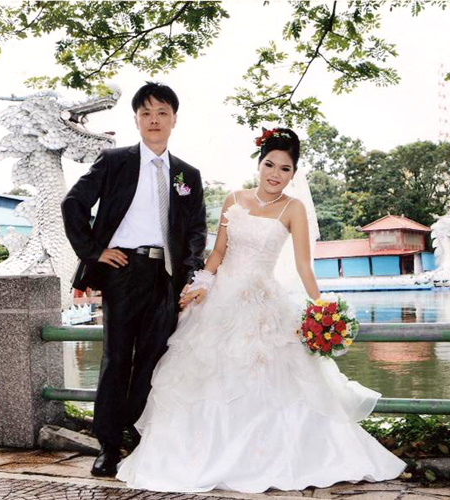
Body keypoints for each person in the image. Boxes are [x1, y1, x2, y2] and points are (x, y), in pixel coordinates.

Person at [116, 128, 406, 492]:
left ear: (293, 174)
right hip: (221, 301)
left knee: (272, 379)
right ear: (259, 164)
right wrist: (201, 285)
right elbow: (217, 253)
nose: (275, 174)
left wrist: (322, 310)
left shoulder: (293, 208)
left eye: (285, 169)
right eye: (269, 164)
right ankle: (202, 458)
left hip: (264, 304)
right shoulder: (234, 199)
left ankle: (268, 458)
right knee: (206, 375)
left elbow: (303, 266)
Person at [61, 82, 207, 477]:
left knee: (154, 360)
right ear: (137, 120)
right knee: (116, 359)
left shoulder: (188, 174)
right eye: (146, 113)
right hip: (122, 270)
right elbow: (73, 202)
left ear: (174, 119)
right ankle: (108, 446)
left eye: (162, 112)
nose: (154, 120)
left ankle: (142, 439)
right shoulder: (114, 161)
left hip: (167, 276)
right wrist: (94, 251)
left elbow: (197, 229)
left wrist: (190, 272)